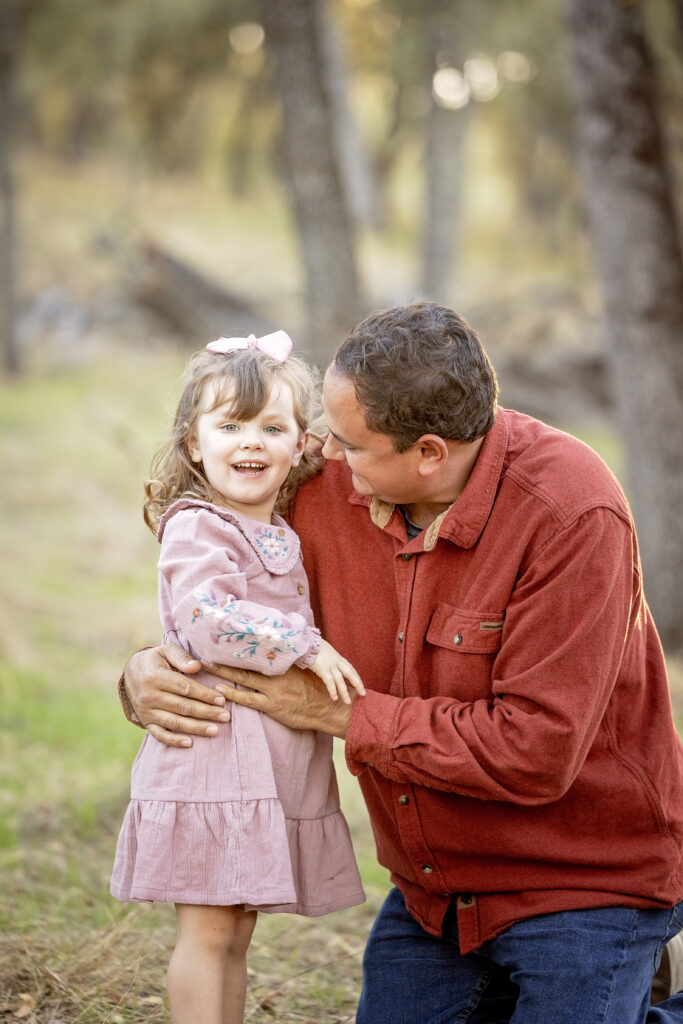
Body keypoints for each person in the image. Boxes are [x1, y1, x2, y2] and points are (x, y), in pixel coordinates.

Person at [119, 304, 683, 1023]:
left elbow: (535, 752)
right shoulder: (327, 483)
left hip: (581, 884)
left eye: (349, 444)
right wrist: (145, 673)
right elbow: (220, 592)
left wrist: (338, 713)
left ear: (427, 452)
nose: (318, 452)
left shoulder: (569, 511)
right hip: (435, 894)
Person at [111, 331, 365, 1024]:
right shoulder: (199, 525)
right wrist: (302, 645)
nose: (250, 442)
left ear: (300, 447)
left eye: (271, 427)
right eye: (229, 426)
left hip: (262, 765)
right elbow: (203, 617)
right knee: (208, 931)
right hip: (212, 760)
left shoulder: (276, 525)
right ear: (193, 444)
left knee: (238, 930)